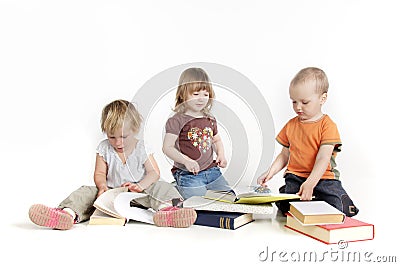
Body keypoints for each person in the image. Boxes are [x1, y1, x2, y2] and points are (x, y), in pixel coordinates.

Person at [29, 99, 197, 230]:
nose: (118, 142)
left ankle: (169, 211)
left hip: (140, 193)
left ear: (135, 129)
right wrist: (102, 187)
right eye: (112, 137)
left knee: (163, 186)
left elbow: (153, 173)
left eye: (124, 137)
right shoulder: (104, 148)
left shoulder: (141, 148)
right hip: (111, 194)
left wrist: (140, 185)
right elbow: (100, 173)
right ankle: (66, 214)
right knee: (85, 192)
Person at [257, 67, 359, 217]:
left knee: (337, 208)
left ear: (322, 99)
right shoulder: (291, 125)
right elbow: (284, 155)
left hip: (323, 177)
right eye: (294, 102)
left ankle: (338, 200)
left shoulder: (327, 125)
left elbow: (323, 158)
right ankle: (299, 200)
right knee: (288, 206)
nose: (298, 107)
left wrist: (311, 182)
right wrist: (270, 172)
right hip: (296, 176)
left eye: (305, 102)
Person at [163, 67, 232, 199]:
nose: (201, 99)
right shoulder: (177, 120)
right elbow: (167, 147)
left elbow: (216, 140)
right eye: (195, 94)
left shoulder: (209, 119)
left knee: (228, 199)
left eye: (205, 95)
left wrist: (221, 155)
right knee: (197, 201)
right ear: (183, 94)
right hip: (187, 173)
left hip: (212, 171)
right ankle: (176, 190)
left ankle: (183, 190)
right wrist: (186, 161)